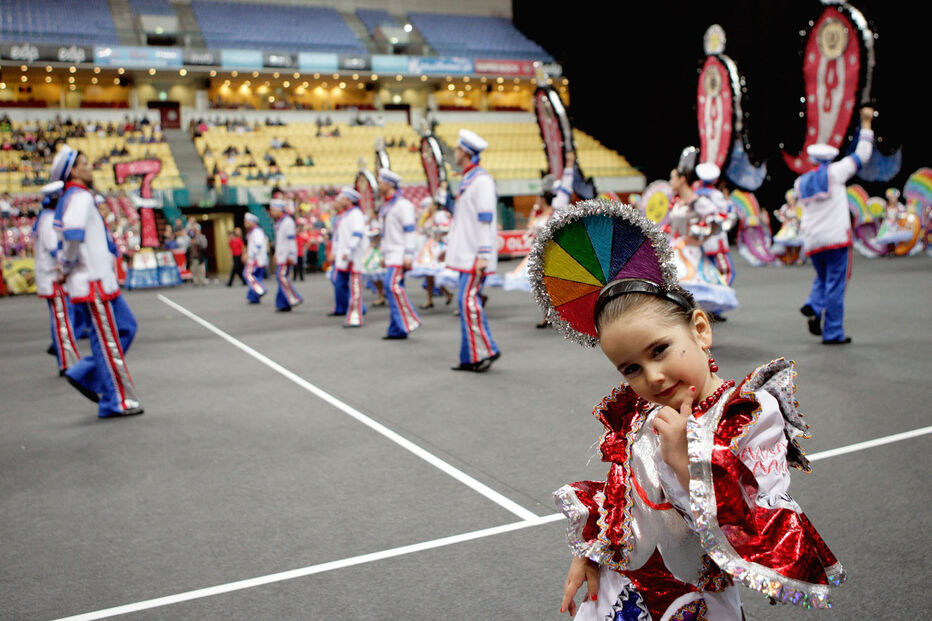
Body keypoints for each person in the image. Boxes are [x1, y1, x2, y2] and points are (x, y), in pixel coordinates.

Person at [527, 201, 845, 619]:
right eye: (631, 368)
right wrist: (591, 555)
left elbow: (761, 526)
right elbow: (623, 495)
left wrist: (686, 462)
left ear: (700, 329)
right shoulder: (640, 413)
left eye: (659, 350)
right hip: (621, 591)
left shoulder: (749, 414)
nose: (653, 377)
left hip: (696, 600)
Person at [52, 145, 143, 418]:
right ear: (73, 171)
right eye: (84, 163)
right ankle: (116, 401)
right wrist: (65, 267)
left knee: (126, 327)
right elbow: (73, 234)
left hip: (102, 281)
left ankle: (85, 372)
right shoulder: (78, 198)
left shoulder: (80, 197)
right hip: (93, 283)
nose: (91, 166)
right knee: (108, 341)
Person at [795, 106, 875, 344]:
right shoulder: (836, 173)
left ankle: (813, 303)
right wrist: (867, 124)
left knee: (822, 278)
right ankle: (832, 332)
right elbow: (863, 154)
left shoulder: (800, 182)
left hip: (814, 240)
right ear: (830, 158)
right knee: (836, 284)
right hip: (836, 239)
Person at [444, 129, 500, 371]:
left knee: (467, 302)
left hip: (474, 257)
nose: (454, 153)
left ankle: (487, 350)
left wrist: (484, 255)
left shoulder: (482, 181)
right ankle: (470, 356)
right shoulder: (469, 179)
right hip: (466, 254)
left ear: (465, 152)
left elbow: (485, 221)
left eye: (457, 149)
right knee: (465, 303)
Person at [34, 180, 81, 375]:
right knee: (63, 321)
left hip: (52, 277)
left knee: (62, 319)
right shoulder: (49, 220)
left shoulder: (46, 217)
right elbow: (56, 249)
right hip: (54, 278)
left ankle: (65, 357)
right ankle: (67, 362)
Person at [377, 169, 420, 340]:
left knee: (391, 286)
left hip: (400, 254)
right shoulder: (387, 205)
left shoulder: (403, 205)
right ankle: (397, 329)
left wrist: (408, 254)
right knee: (392, 288)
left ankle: (410, 319)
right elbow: (386, 234)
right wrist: (383, 254)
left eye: (381, 182)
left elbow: (410, 232)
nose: (379, 185)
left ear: (389, 184)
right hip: (391, 254)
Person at [329, 187, 368, 326]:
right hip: (343, 257)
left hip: (352, 256)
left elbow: (357, 234)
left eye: (344, 198)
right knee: (339, 283)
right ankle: (348, 308)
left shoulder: (356, 214)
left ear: (350, 200)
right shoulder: (345, 215)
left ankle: (356, 315)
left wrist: (348, 250)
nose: (341, 200)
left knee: (355, 286)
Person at [270, 198, 303, 312]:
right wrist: (275, 254)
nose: (271, 212)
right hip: (281, 255)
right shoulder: (279, 222)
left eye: (273, 210)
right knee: (280, 278)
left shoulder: (287, 222)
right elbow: (279, 242)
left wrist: (291, 255)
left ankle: (294, 297)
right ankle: (282, 304)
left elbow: (291, 241)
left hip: (286, 255)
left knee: (281, 276)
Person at [243, 212, 268, 304]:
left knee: (247, 274)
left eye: (246, 221)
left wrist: (249, 255)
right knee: (257, 277)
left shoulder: (256, 232)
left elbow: (257, 245)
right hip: (258, 259)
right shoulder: (253, 232)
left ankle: (260, 289)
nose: (245, 223)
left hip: (255, 259)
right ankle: (253, 297)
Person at [187, 222, 208, 286]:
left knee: (201, 270)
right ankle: (195, 282)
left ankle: (202, 281)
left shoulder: (201, 240)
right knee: (194, 270)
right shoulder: (190, 242)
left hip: (199, 258)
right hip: (193, 258)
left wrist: (197, 242)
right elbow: (188, 251)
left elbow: (204, 246)